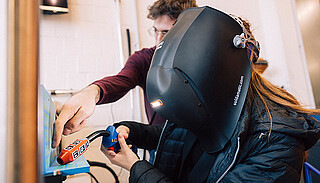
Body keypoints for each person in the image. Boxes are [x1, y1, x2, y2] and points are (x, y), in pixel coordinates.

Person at [101, 6, 320, 182]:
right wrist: (132, 131)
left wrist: (136, 167)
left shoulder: (277, 139)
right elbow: (176, 137)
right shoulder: (205, 97)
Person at [51, 0, 198, 149]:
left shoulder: (204, 62)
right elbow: (121, 81)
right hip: (160, 147)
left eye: (166, 32)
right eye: (155, 31)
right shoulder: (145, 59)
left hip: (199, 152)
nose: (158, 40)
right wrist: (92, 92)